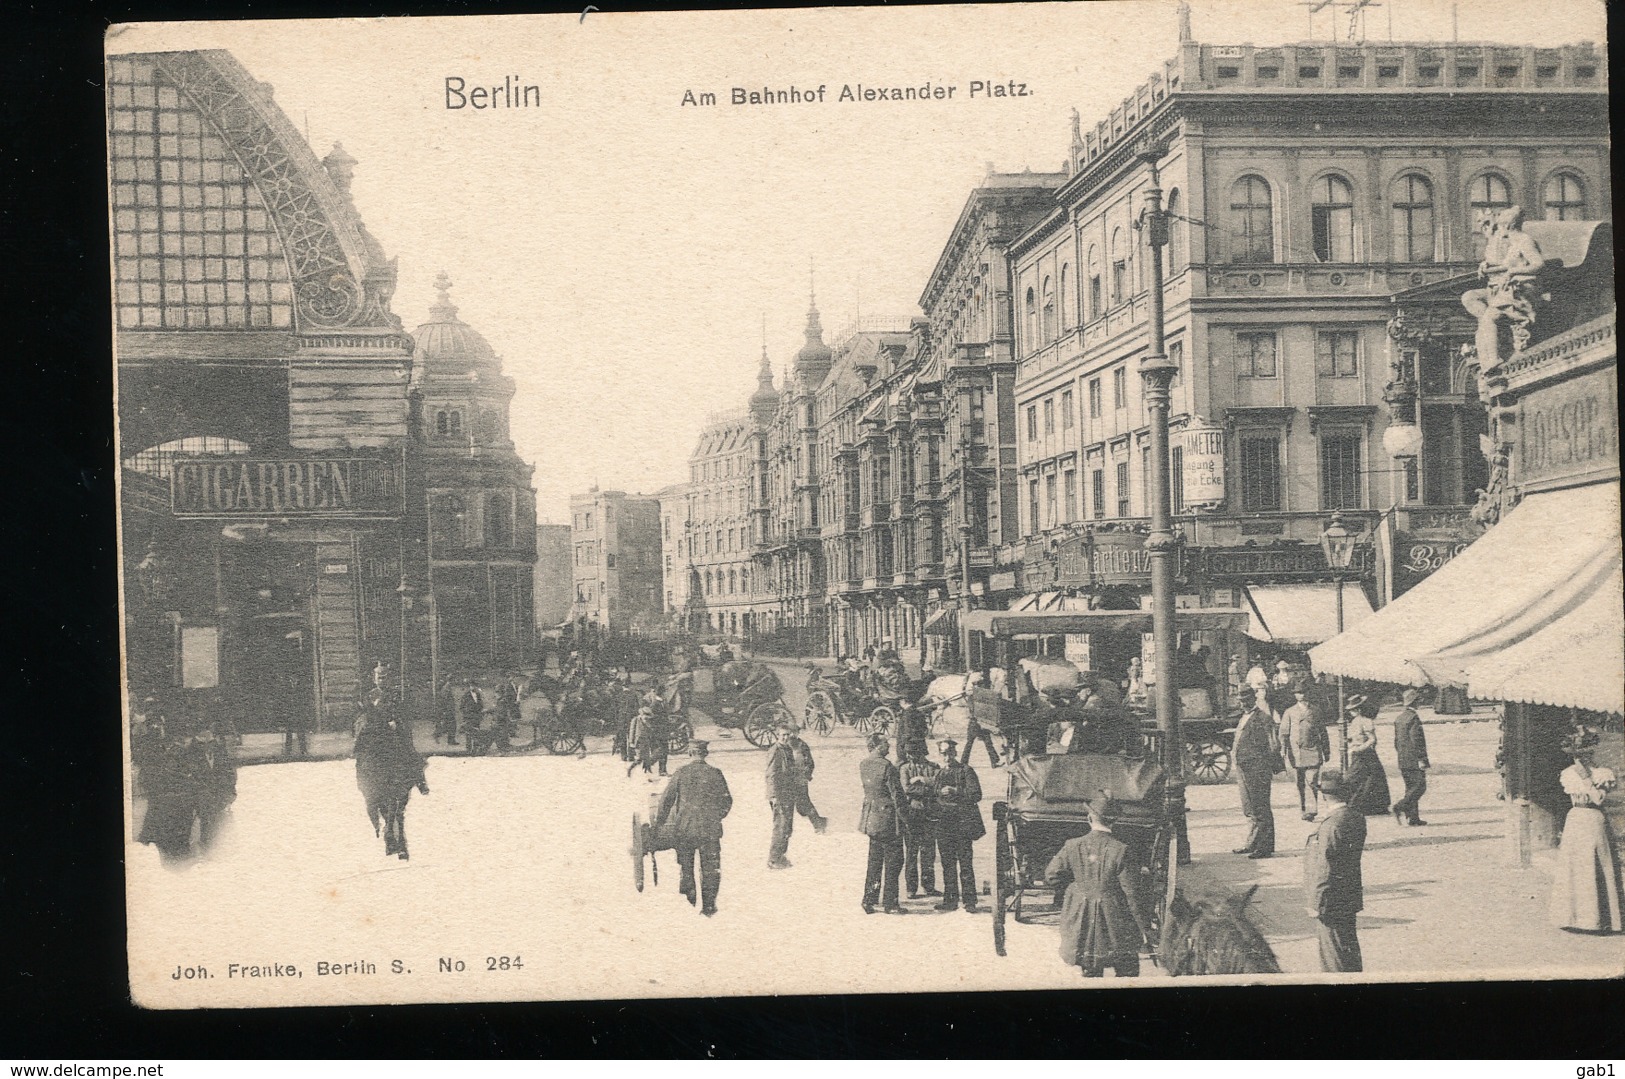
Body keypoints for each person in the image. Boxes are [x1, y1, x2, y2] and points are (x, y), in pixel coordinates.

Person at [1046, 794, 1150, 978]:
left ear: (1089, 818)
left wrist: (1076, 889)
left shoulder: (1071, 846)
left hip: (1082, 919)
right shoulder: (1122, 849)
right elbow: (1132, 892)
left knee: (1090, 970)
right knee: (1127, 971)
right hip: (1116, 921)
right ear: (1114, 821)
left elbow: (1052, 875)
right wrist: (1144, 928)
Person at [1549, 729, 1622, 933]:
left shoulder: (1602, 774)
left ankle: (1599, 920)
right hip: (1575, 819)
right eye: (1578, 755)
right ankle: (1574, 918)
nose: (1581, 758)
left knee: (1595, 863)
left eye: (1585, 753)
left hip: (1593, 819)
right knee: (1575, 866)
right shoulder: (1568, 774)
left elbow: (1598, 799)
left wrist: (1587, 779)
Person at [655, 740, 733, 916]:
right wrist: (716, 816)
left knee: (686, 863)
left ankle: (689, 896)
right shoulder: (715, 773)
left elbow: (666, 800)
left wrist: (659, 824)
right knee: (710, 869)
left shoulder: (681, 773)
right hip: (709, 829)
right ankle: (709, 907)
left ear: (690, 753)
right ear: (705, 754)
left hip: (685, 828)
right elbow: (727, 801)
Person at [353, 688, 430, 860]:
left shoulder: (392, 696)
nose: (381, 678)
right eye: (378, 676)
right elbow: (362, 732)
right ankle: (387, 831)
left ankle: (419, 778)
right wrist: (385, 726)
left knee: (409, 752)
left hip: (390, 745)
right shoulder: (366, 707)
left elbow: (399, 720)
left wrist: (395, 724)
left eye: (383, 676)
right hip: (374, 751)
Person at [1302, 769, 1366, 972]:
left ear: (1324, 796)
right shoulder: (1354, 817)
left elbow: (1325, 868)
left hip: (1331, 901)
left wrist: (1316, 903)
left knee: (1333, 958)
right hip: (1348, 896)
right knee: (1348, 951)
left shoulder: (1332, 825)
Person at [933, 737, 985, 913]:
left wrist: (956, 791)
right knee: (947, 863)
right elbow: (934, 794)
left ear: (955, 753)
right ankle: (950, 900)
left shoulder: (966, 770)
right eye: (943, 754)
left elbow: (976, 794)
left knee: (965, 863)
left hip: (962, 823)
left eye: (949, 754)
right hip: (944, 823)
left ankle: (970, 901)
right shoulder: (939, 773)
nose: (946, 758)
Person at [858, 732, 907, 914]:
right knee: (894, 861)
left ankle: (869, 900)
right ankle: (890, 903)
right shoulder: (888, 766)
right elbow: (897, 796)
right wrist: (907, 819)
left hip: (871, 818)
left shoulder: (864, 764)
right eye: (886, 743)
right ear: (878, 746)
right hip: (888, 819)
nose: (889, 746)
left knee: (874, 861)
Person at [1231, 687, 1280, 859]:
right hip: (1243, 767)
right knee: (1249, 808)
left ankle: (1265, 846)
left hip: (1257, 768)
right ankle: (1252, 842)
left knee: (1261, 807)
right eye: (1240, 699)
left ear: (1254, 699)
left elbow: (1274, 744)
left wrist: (1266, 765)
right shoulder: (1243, 717)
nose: (1243, 703)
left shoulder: (1263, 718)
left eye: (1246, 699)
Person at [897, 742, 941, 900]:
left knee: (929, 851)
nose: (909, 756)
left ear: (922, 753)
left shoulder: (933, 766)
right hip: (913, 814)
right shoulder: (904, 768)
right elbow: (906, 788)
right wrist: (928, 787)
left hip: (929, 813)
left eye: (913, 753)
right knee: (911, 852)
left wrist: (921, 779)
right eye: (908, 754)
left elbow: (940, 783)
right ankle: (911, 888)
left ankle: (929, 886)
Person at [1280, 686, 1329, 821]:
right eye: (1298, 693)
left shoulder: (1315, 711)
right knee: (1300, 783)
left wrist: (1326, 751)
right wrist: (1283, 749)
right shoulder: (1289, 712)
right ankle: (1303, 809)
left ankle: (1311, 810)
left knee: (1311, 781)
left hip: (1313, 751)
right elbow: (1284, 733)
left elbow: (1323, 732)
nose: (1300, 695)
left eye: (1303, 692)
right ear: (1295, 695)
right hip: (1296, 753)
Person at [1341, 694, 1392, 816]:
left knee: (1356, 778)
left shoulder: (1366, 721)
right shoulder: (1354, 721)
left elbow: (1372, 739)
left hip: (1365, 755)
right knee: (1365, 781)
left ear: (1358, 709)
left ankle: (1364, 806)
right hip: (1357, 755)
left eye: (1353, 710)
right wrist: (1349, 742)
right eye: (1350, 710)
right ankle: (1363, 806)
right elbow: (1355, 738)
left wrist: (1358, 749)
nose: (1351, 712)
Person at [1391, 687, 1430, 826]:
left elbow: (1396, 741)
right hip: (1414, 759)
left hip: (1403, 759)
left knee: (1410, 787)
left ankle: (1413, 818)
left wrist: (1402, 754)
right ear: (1415, 702)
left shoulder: (1399, 718)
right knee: (1420, 786)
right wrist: (1421, 759)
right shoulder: (1413, 718)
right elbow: (1417, 740)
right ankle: (1400, 807)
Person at [765, 725, 802, 869]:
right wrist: (773, 795)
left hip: (788, 794)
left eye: (788, 735)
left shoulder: (786, 749)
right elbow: (771, 774)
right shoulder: (775, 751)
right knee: (780, 826)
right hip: (779, 795)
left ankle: (781, 856)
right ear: (777, 735)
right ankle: (773, 860)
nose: (786, 738)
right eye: (783, 735)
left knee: (787, 827)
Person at [627, 703, 669, 779]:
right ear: (641, 715)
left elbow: (651, 729)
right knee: (639, 759)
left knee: (646, 759)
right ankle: (630, 769)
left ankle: (647, 775)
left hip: (646, 741)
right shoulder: (635, 720)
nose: (647, 719)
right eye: (645, 717)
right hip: (639, 742)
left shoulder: (648, 721)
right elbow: (631, 732)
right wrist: (631, 742)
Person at [433, 676, 459, 746]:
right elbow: (444, 700)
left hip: (449, 710)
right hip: (448, 710)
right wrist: (445, 710)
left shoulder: (448, 687)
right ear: (451, 680)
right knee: (451, 725)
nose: (455, 682)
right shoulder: (446, 688)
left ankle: (449, 739)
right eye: (454, 680)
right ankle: (438, 735)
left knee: (449, 725)